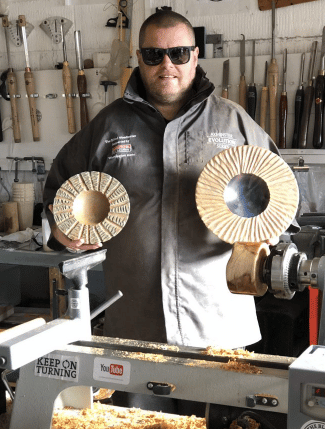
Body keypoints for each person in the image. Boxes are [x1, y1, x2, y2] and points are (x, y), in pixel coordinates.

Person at [43, 10, 279, 366]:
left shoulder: (234, 124)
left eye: (179, 54)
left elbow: (285, 198)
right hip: (135, 328)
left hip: (218, 327)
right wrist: (62, 233)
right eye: (154, 55)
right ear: (139, 58)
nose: (166, 64)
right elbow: (57, 194)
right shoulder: (108, 126)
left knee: (218, 422)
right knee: (133, 421)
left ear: (195, 56)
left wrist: (270, 229)